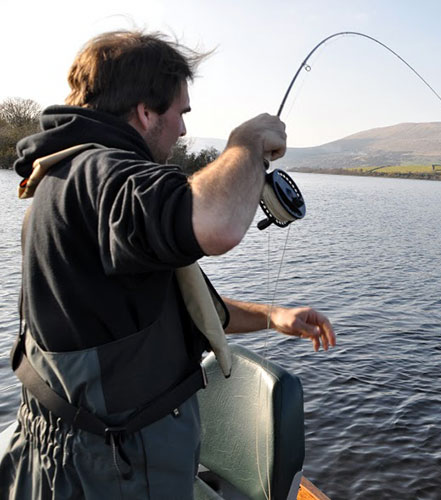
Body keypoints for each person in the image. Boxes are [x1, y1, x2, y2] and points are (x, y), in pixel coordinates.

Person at [0, 30, 335, 499]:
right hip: (105, 471)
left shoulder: (74, 176)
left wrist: (272, 316)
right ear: (145, 110)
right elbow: (215, 225)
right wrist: (245, 144)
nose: (181, 129)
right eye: (180, 113)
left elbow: (181, 309)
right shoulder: (103, 176)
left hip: (92, 456)